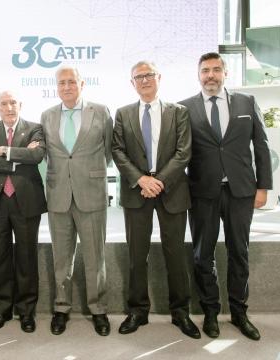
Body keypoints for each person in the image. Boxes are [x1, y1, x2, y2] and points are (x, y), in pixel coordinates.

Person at [179, 52, 272, 341]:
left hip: (241, 191)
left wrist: (263, 187)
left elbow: (262, 146)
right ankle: (210, 311)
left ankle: (239, 313)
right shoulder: (184, 108)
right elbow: (179, 152)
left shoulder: (247, 102)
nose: (210, 75)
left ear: (225, 73)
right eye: (205, 70)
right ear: (198, 74)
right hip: (202, 192)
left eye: (216, 69)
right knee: (202, 254)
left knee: (239, 253)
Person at [112, 61, 200, 339]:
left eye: (149, 75)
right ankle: (138, 311)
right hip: (137, 191)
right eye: (139, 77)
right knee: (137, 255)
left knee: (175, 253)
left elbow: (183, 152)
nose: (145, 80)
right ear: (132, 83)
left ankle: (180, 311)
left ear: (159, 78)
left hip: (171, 190)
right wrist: (141, 180)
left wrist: (158, 180)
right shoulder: (123, 113)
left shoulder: (179, 112)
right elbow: (118, 150)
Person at [40, 66, 113, 336]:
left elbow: (108, 151)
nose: (67, 86)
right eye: (62, 82)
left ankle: (98, 309)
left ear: (82, 83)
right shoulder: (47, 116)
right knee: (61, 257)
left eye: (72, 81)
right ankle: (61, 308)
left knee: (95, 257)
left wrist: (87, 174)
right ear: (56, 87)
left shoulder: (101, 111)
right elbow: (49, 154)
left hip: (91, 192)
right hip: (59, 194)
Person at [0, 90, 46, 333]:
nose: (9, 107)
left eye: (13, 103)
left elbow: (37, 155)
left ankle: (27, 312)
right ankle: (2, 310)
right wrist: (21, 156)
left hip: (26, 200)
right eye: (3, 104)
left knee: (27, 256)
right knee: (0, 256)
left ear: (21, 104)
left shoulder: (36, 128)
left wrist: (4, 151)